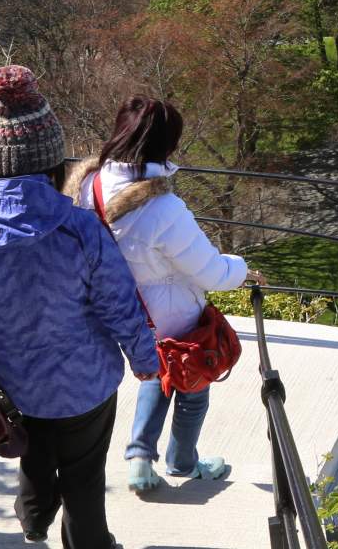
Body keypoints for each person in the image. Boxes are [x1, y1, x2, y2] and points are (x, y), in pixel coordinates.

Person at [0, 66, 159, 549]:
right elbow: (119, 306)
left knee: (36, 448)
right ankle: (90, 543)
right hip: (85, 382)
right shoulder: (82, 230)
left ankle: (33, 519)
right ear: (53, 165)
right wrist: (145, 360)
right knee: (83, 474)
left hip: (11, 383)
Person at [64, 96, 264, 493]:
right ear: (166, 145)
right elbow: (210, 271)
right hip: (167, 314)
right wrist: (241, 270)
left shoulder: (87, 185)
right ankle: (183, 462)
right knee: (192, 381)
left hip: (111, 307)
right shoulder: (162, 207)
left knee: (155, 371)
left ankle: (140, 458)